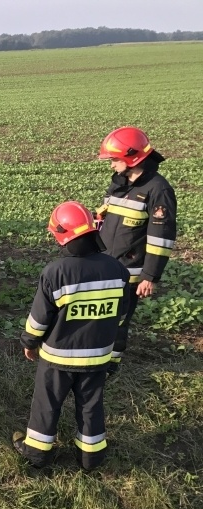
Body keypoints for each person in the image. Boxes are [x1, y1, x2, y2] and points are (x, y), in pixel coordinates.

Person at [13, 201, 130, 471]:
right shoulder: (118, 271)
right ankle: (91, 458)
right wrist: (114, 357)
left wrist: (29, 343)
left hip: (57, 359)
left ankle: (37, 454)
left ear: (63, 235)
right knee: (91, 406)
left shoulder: (56, 272)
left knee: (47, 405)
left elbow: (39, 320)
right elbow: (121, 320)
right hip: (98, 357)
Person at [95, 127, 177, 374]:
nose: (111, 166)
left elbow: (161, 237)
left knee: (117, 320)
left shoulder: (158, 190)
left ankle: (110, 366)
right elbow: (106, 220)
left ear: (132, 158)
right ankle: (95, 357)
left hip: (130, 273)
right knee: (99, 316)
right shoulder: (119, 184)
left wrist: (150, 276)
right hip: (106, 265)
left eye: (114, 160)